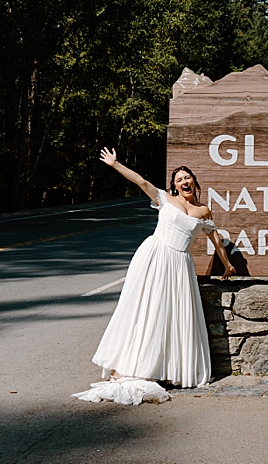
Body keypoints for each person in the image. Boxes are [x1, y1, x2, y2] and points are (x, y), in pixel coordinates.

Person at [73, 148, 235, 405]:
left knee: (173, 314)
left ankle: (167, 368)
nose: (184, 181)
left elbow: (214, 237)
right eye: (179, 179)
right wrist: (116, 164)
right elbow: (141, 181)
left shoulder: (203, 211)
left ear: (194, 181)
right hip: (155, 255)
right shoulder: (164, 199)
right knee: (146, 309)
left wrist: (227, 265)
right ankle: (131, 363)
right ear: (174, 185)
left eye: (187, 177)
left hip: (180, 263)